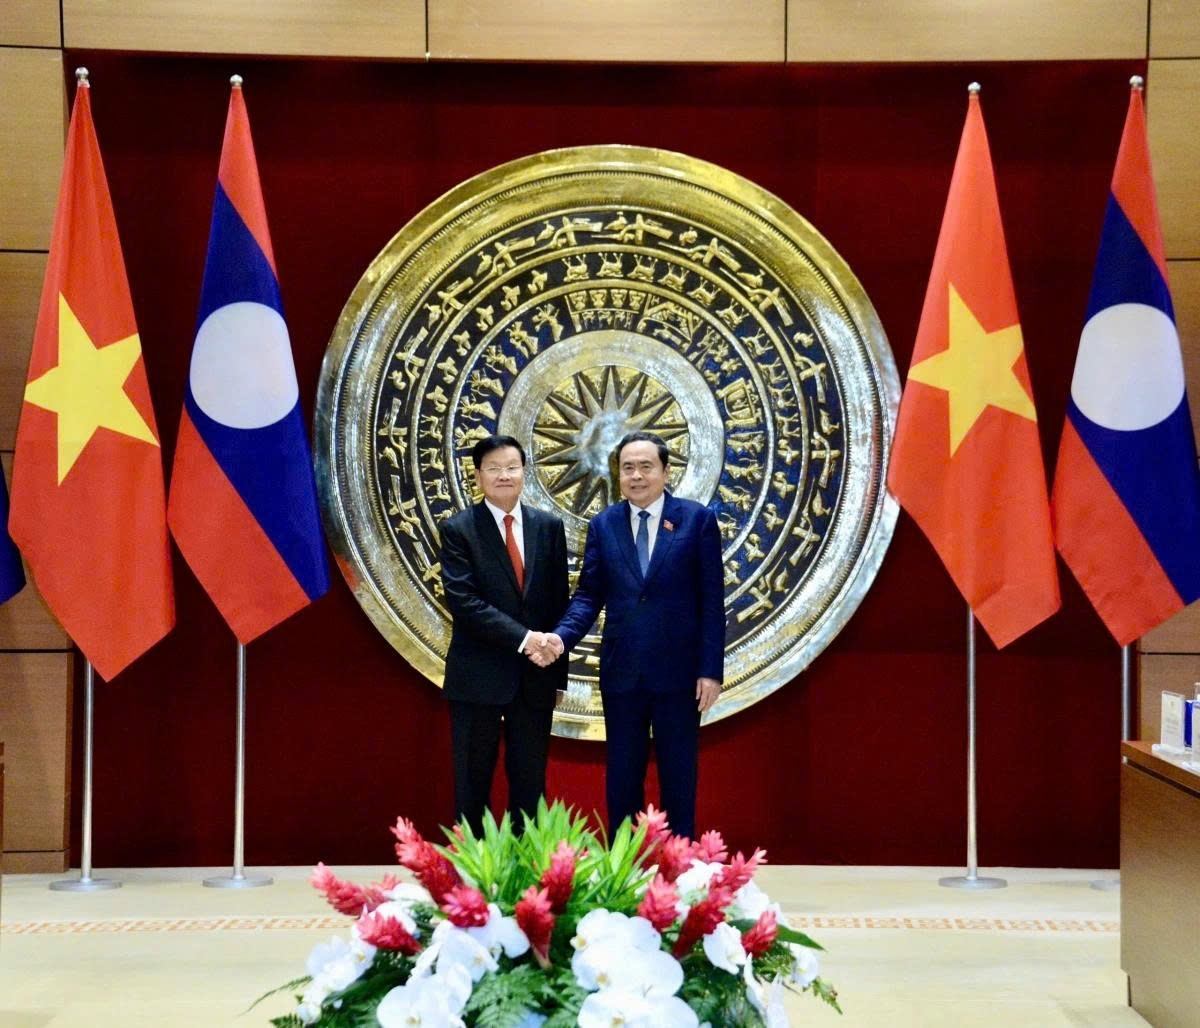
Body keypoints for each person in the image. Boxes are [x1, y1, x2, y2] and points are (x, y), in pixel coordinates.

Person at [529, 431, 724, 840]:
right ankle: (625, 868)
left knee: (679, 776)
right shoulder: (604, 525)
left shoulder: (697, 520)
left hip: (681, 675)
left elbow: (711, 602)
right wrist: (561, 638)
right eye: (628, 468)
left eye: (646, 466)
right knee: (622, 778)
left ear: (666, 471)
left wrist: (711, 670)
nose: (636, 475)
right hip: (623, 673)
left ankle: (681, 871)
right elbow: (588, 595)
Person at [439, 434, 569, 835]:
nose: (504, 475)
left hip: (536, 677)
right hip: (478, 676)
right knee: (473, 783)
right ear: (477, 475)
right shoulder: (459, 529)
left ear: (524, 472)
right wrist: (526, 639)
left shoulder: (548, 526)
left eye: (511, 467)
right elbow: (465, 602)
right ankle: (473, 879)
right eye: (493, 468)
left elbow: (558, 600)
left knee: (529, 783)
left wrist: (557, 670)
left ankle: (526, 876)